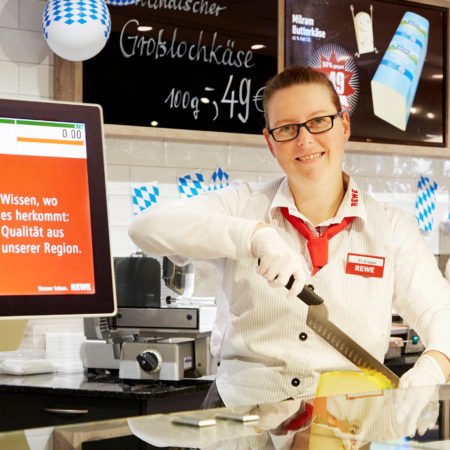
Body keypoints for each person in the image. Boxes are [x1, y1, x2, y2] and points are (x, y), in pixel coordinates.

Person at [128, 65, 450, 410]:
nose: (305, 139)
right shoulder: (242, 204)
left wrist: (435, 363)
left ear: (344, 125)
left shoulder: (391, 226)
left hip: (347, 426)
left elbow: (438, 310)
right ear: (270, 142)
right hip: (242, 418)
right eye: (287, 128)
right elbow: (145, 228)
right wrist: (254, 235)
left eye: (318, 121)